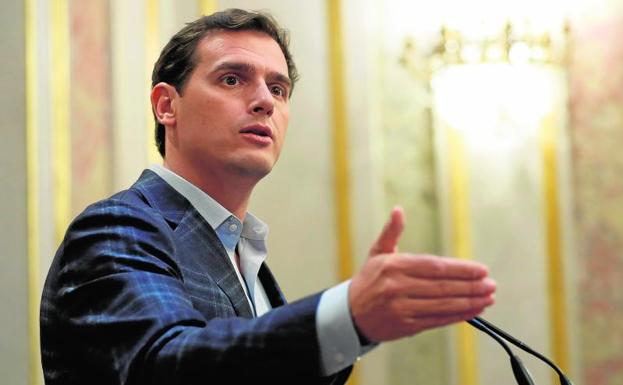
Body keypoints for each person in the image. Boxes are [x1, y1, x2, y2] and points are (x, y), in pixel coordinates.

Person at [40, 8, 496, 385]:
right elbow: (169, 366)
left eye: (278, 89)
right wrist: (347, 316)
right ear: (166, 106)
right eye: (233, 80)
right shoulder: (117, 229)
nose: (265, 102)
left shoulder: (245, 252)